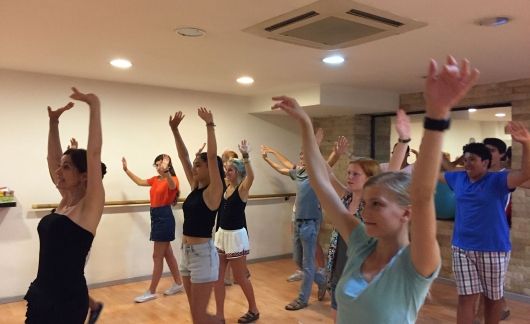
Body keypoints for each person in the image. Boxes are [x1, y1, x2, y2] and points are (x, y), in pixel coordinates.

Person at [272, 56, 479, 323]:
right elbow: (321, 183)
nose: (365, 212)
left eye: (377, 204)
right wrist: (305, 124)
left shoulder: (417, 263)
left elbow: (423, 194)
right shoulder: (361, 242)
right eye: (366, 203)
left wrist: (436, 116)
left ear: (407, 212)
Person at [25, 87, 106, 324]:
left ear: (84, 175)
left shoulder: (89, 207)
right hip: (42, 293)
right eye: (61, 166)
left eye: (67, 167)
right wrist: (53, 123)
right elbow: (52, 160)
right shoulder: (64, 201)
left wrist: (94, 106)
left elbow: (93, 153)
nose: (58, 172)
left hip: (67, 301)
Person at [442, 129, 530, 323]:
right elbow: (433, 174)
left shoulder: (499, 180)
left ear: (485, 162)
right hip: (462, 247)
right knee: (466, 297)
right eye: (465, 160)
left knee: (492, 298)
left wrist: (526, 144)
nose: (467, 164)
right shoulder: (458, 178)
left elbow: (525, 173)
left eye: (472, 159)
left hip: (494, 248)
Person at [261, 136, 338, 310]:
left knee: (308, 263)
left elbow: (330, 162)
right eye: (301, 156)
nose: (302, 158)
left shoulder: (316, 174)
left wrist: (334, 152)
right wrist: (267, 160)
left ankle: (302, 299)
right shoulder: (298, 174)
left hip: (311, 222)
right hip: (298, 222)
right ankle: (323, 280)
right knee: (298, 260)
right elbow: (281, 169)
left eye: (306, 156)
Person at [170, 108, 224, 324]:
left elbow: (211, 156)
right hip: (186, 253)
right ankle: (218, 322)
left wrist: (210, 125)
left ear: (210, 169)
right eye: (194, 165)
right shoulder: (195, 187)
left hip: (203, 255)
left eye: (198, 165)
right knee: (196, 313)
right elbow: (183, 156)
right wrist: (174, 130)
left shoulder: (214, 191)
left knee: (199, 317)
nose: (193, 168)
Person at [122, 154, 184, 303]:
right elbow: (139, 182)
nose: (158, 167)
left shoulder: (173, 179)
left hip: (164, 217)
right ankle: (178, 283)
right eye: (156, 165)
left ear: (168, 166)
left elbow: (172, 186)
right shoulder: (155, 179)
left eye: (160, 164)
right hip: (156, 217)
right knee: (167, 254)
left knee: (157, 256)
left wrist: (167, 172)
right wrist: (126, 170)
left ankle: (151, 291)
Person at [214, 140, 260, 323]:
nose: (227, 172)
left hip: (235, 236)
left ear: (239, 172)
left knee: (240, 277)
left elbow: (252, 177)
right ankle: (219, 314)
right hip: (222, 234)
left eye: (231, 170)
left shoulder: (242, 189)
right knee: (217, 277)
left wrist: (246, 156)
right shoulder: (227, 185)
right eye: (227, 170)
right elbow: (219, 169)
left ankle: (254, 309)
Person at [61, 138, 105, 323]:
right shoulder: (70, 195)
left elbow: (94, 154)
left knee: (69, 281)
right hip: (65, 244)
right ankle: (94, 306)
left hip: (78, 245)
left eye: (67, 167)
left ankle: (93, 306)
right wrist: (71, 151)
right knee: (66, 282)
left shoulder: (91, 197)